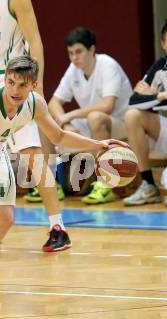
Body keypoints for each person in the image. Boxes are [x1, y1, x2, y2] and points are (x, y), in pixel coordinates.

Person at [0, 55, 127, 288]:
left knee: (5, 219)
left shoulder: (35, 104)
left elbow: (58, 136)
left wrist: (99, 144)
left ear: (34, 85)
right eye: (11, 82)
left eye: (22, 84)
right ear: (4, 80)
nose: (15, 89)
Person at [0, 0, 69, 252]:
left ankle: (58, 227)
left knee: (32, 156)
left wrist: (37, 84)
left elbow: (35, 41)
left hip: (11, 80)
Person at [44, 27, 132, 204]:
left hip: (122, 122)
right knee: (44, 123)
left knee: (95, 117)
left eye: (78, 52)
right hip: (92, 125)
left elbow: (107, 106)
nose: (74, 57)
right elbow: (53, 103)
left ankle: (104, 184)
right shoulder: (73, 69)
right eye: (70, 53)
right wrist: (64, 123)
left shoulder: (108, 65)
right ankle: (51, 185)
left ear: (92, 50)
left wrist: (71, 115)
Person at [123, 17, 167, 207]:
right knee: (132, 116)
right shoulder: (159, 66)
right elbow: (135, 100)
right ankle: (148, 184)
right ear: (163, 44)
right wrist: (164, 95)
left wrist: (157, 95)